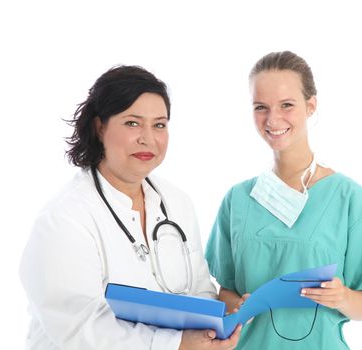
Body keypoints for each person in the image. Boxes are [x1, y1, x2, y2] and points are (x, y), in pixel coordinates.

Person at [19, 65, 241, 350]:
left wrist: (217, 325)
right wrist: (177, 344)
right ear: (100, 127)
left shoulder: (177, 203)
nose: (148, 138)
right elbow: (80, 329)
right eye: (132, 123)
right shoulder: (65, 218)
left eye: (159, 124)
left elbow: (198, 288)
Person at [205, 51, 362, 349]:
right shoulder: (238, 200)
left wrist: (343, 297)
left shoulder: (350, 199)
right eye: (261, 107)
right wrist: (239, 305)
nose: (273, 119)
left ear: (311, 106)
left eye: (287, 105)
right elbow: (225, 291)